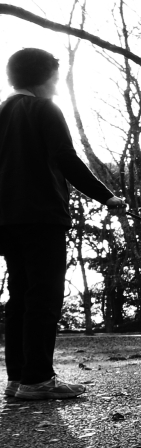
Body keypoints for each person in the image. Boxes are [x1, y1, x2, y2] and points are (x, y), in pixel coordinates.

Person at [0, 48, 126, 400]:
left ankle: (18, 379)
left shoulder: (2, 111)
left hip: (6, 221)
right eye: (55, 77)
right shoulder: (44, 109)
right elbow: (65, 158)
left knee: (20, 297)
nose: (56, 85)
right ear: (44, 77)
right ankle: (38, 379)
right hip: (41, 217)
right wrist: (107, 197)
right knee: (44, 295)